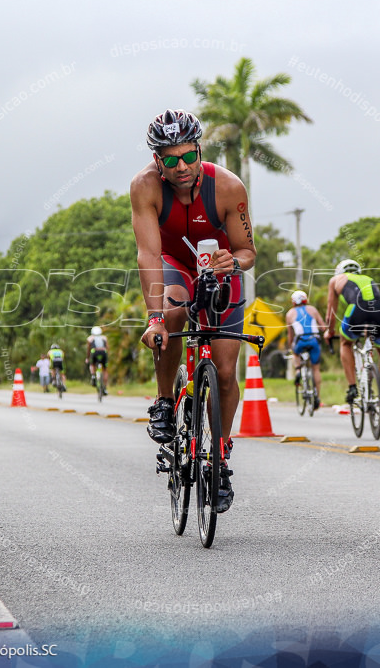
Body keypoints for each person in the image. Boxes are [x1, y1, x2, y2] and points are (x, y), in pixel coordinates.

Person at [131, 109, 257, 514]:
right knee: (171, 311)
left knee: (223, 373)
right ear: (157, 161)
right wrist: (153, 319)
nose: (181, 167)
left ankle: (220, 459)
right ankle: (165, 402)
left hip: (220, 268)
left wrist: (231, 263)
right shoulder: (144, 187)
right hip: (174, 264)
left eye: (189, 156)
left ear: (199, 150)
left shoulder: (228, 187)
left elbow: (248, 252)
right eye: (170, 159)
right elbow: (149, 253)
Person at [324, 259, 380, 414]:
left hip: (357, 312)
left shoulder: (335, 280)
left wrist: (330, 332)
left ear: (339, 272)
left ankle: (352, 388)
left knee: (345, 344)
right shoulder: (368, 279)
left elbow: (331, 313)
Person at [286, 290, 326, 410]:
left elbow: (290, 335)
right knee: (316, 369)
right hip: (314, 339)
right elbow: (323, 327)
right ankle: (317, 397)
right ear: (305, 300)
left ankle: (298, 371)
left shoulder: (290, 313)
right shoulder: (312, 309)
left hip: (300, 341)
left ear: (293, 302)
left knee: (296, 353)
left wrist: (290, 347)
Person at [86, 326, 109, 395]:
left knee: (92, 365)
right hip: (103, 352)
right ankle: (104, 387)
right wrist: (107, 356)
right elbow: (107, 348)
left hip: (94, 352)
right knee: (105, 370)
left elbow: (88, 349)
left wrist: (87, 357)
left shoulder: (90, 338)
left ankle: (93, 375)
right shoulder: (104, 338)